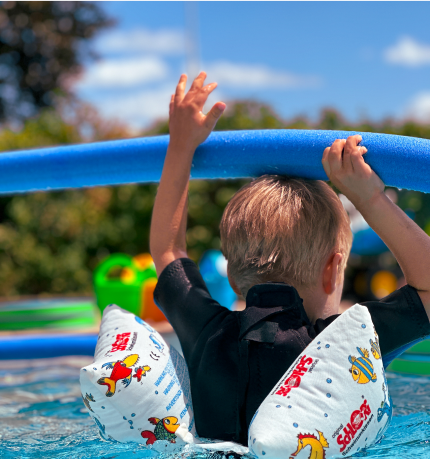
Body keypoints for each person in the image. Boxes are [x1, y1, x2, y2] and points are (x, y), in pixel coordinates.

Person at [150, 72, 430, 445]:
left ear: (231, 276)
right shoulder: (348, 346)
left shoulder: (207, 334)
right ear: (333, 270)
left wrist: (180, 146)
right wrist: (371, 198)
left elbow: (168, 250)